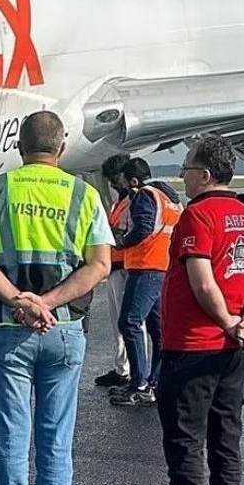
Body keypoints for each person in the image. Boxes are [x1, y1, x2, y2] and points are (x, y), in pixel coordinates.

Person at [0, 111, 113, 485]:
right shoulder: (84, 196)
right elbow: (99, 266)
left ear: (18, 147)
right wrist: (48, 303)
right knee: (56, 439)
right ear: (62, 148)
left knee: (12, 439)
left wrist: (20, 301)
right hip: (64, 329)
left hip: (10, 328)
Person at [136, 134, 244, 485]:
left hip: (193, 347)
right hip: (234, 350)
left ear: (205, 174)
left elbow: (202, 282)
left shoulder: (198, 217)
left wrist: (225, 322)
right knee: (225, 436)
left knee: (183, 440)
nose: (183, 176)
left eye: (187, 169)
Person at [109, 157, 182, 407]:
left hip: (145, 266)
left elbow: (143, 228)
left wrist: (122, 241)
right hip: (162, 265)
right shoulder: (170, 197)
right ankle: (155, 381)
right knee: (157, 328)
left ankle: (139, 383)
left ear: (134, 180)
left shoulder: (143, 195)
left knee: (128, 322)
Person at [94, 152, 133, 388]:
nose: (111, 183)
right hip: (115, 268)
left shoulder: (134, 201)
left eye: (113, 178)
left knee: (129, 324)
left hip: (126, 268)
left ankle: (131, 371)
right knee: (118, 323)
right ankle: (122, 368)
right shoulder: (120, 201)